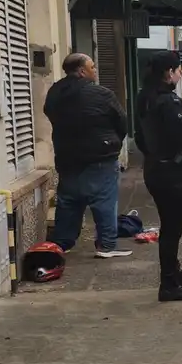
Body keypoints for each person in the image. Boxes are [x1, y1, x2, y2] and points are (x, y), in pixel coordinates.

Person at [44, 53, 131, 259]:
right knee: (104, 201)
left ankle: (62, 243)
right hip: (99, 156)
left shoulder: (55, 92)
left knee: (68, 201)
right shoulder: (101, 94)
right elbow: (121, 122)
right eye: (92, 66)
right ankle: (107, 245)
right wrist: (113, 144)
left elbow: (50, 114)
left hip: (67, 157)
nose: (95, 70)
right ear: (82, 71)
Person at [136, 50, 182, 302]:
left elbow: (140, 137)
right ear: (168, 73)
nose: (180, 73)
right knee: (172, 228)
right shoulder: (168, 102)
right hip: (173, 173)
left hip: (155, 168)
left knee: (171, 226)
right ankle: (168, 284)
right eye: (178, 69)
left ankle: (174, 273)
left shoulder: (144, 97)